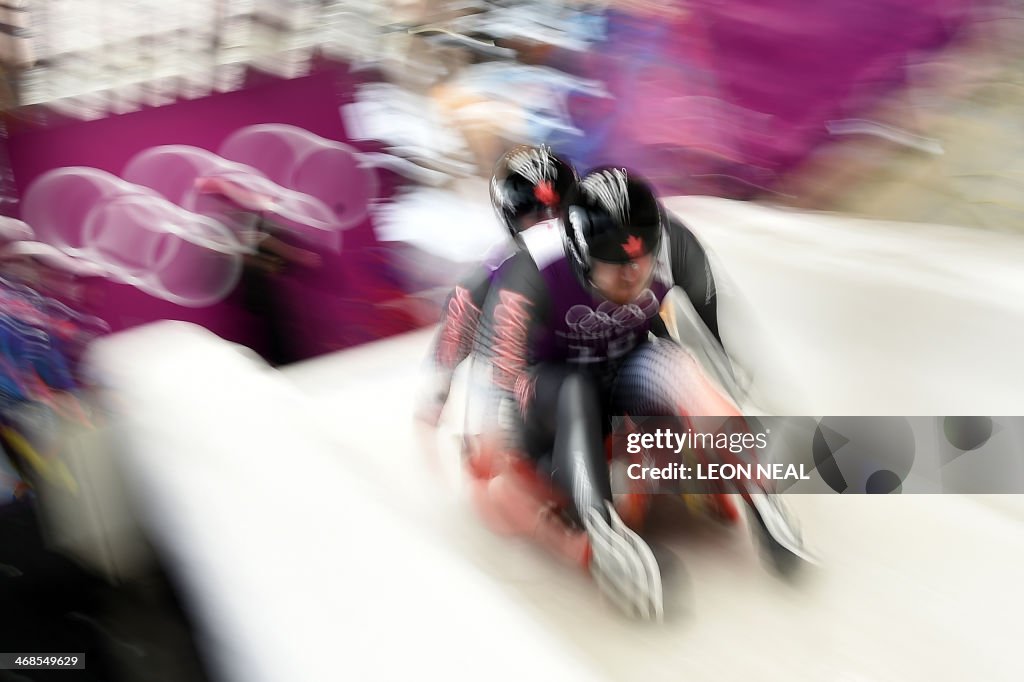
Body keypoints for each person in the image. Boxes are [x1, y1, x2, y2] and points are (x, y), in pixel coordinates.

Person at [470, 167, 811, 620]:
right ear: (578, 255)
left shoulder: (675, 244)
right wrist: (498, 447)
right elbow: (499, 374)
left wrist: (737, 399)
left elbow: (715, 327)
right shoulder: (527, 270)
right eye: (616, 265)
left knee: (674, 366)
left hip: (624, 373)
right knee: (572, 389)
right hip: (550, 403)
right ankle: (603, 526)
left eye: (642, 259)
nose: (633, 275)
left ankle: (762, 499)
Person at [416, 145, 578, 426]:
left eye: (557, 213)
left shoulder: (606, 254)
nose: (550, 226)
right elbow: (459, 330)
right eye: (536, 218)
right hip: (533, 385)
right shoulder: (493, 273)